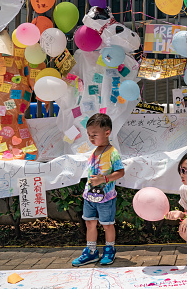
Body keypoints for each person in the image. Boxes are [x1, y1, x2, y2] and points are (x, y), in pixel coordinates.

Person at [72, 113, 125, 267]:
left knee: (107, 224)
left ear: (107, 133)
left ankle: (109, 249)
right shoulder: (94, 151)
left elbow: (120, 172)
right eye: (89, 135)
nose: (91, 138)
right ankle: (91, 251)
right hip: (90, 197)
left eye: (94, 135)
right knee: (89, 223)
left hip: (106, 198)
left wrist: (104, 179)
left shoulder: (112, 153)